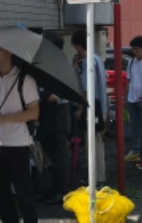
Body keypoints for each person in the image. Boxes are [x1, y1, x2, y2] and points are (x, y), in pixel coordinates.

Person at [0, 43, 41, 223]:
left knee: (23, 193)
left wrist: (5, 119)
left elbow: (34, 113)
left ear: (9, 51)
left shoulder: (24, 80)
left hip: (18, 144)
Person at [36, 31, 72, 204]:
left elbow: (54, 95)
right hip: (49, 116)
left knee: (59, 155)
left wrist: (38, 96)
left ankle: (62, 191)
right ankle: (52, 189)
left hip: (57, 115)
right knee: (51, 155)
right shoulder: (52, 63)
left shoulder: (60, 64)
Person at [71, 29, 107, 184]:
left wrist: (80, 108)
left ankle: (95, 177)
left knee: (92, 143)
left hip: (91, 107)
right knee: (98, 141)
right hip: (101, 105)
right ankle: (100, 175)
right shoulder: (97, 59)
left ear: (79, 46)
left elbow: (86, 88)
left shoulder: (87, 63)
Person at [124, 35, 142, 168]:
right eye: (133, 49)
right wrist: (127, 96)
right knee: (134, 125)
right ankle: (135, 150)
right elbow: (129, 80)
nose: (134, 51)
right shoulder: (132, 62)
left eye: (137, 49)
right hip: (132, 98)